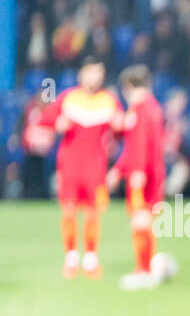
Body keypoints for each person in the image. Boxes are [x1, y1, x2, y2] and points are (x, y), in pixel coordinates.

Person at [33, 55, 123, 279]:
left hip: (96, 165)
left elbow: (121, 129)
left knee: (93, 212)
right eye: (92, 71)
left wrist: (118, 127)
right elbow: (44, 118)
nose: (95, 76)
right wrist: (57, 124)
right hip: (70, 164)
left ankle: (91, 259)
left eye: (99, 72)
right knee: (70, 211)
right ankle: (71, 258)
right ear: (82, 74)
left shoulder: (109, 100)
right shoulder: (69, 98)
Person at [108, 65, 166, 290]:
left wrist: (137, 172)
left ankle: (143, 271)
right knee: (145, 221)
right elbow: (135, 147)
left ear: (127, 87)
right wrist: (119, 170)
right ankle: (148, 268)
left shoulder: (140, 110)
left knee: (140, 220)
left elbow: (139, 145)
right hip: (152, 173)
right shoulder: (153, 108)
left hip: (143, 175)